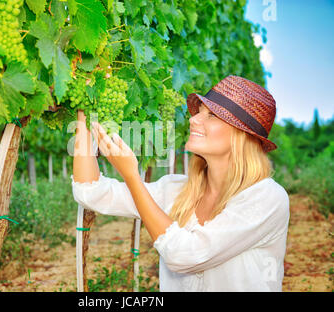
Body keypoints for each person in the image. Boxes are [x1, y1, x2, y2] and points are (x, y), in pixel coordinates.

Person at [71, 75, 290, 292]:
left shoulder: (266, 198)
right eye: (199, 112)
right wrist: (85, 111)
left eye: (212, 115)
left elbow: (185, 255)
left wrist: (131, 176)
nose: (193, 120)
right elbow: (90, 192)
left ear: (242, 135)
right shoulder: (178, 189)